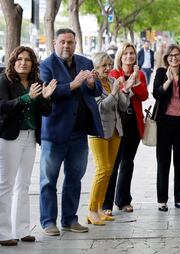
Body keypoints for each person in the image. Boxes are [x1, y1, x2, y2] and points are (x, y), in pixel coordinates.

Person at [39, 28, 104, 236]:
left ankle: (69, 219)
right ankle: (49, 222)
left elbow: (96, 91)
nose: (66, 46)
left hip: (79, 133)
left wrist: (92, 84)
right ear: (54, 43)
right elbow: (47, 92)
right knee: (48, 180)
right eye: (62, 42)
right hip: (55, 133)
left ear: (76, 43)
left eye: (70, 42)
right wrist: (73, 85)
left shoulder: (85, 63)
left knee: (74, 178)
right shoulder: (46, 65)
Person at [0, 46, 56, 246]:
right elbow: (3, 106)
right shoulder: (4, 81)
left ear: (33, 63)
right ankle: (3, 233)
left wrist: (46, 97)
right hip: (9, 138)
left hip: (31, 137)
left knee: (23, 185)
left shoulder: (37, 83)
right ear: (13, 62)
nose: (23, 63)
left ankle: (22, 229)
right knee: (5, 185)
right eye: (20, 59)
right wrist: (26, 98)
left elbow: (46, 112)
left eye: (28, 60)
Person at [102, 42, 148, 215]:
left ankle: (123, 200)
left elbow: (143, 95)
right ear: (120, 56)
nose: (129, 56)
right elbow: (118, 94)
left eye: (132, 53)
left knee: (128, 163)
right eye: (126, 53)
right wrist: (124, 87)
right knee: (113, 164)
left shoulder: (140, 74)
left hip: (133, 122)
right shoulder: (113, 73)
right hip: (117, 123)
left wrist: (134, 82)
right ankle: (106, 204)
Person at [87, 52, 131, 225]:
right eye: (103, 65)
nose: (107, 69)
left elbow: (123, 106)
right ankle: (91, 210)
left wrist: (125, 90)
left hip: (115, 130)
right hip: (98, 131)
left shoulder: (113, 81)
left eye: (109, 65)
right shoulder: (93, 84)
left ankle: (99, 209)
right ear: (96, 68)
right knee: (102, 170)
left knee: (109, 171)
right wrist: (114, 93)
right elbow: (101, 108)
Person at [153, 44, 180, 212]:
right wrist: (169, 81)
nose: (174, 58)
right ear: (166, 58)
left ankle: (179, 198)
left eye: (177, 55)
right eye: (170, 56)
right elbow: (156, 94)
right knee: (163, 162)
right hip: (164, 123)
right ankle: (162, 199)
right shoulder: (161, 73)